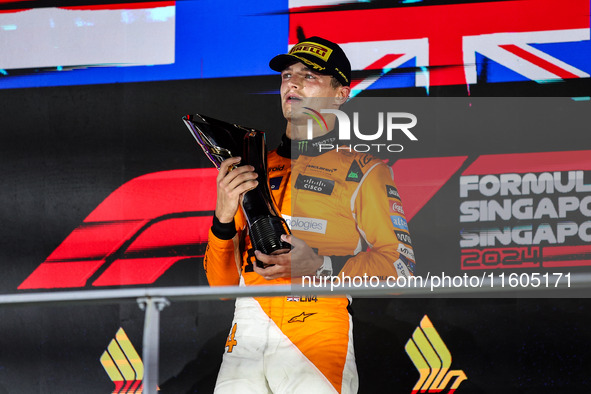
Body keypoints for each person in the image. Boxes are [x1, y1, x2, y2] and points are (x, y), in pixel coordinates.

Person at [204, 36, 415, 394]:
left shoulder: (364, 170)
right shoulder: (252, 168)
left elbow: (401, 267)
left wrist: (320, 267)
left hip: (317, 328)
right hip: (246, 333)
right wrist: (223, 217)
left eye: (310, 76)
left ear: (340, 94)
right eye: (287, 75)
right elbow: (221, 288)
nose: (293, 83)